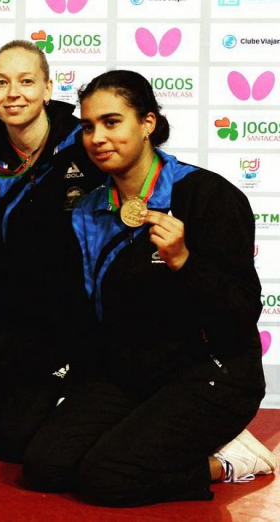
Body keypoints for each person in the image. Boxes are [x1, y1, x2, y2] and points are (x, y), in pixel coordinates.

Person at [22, 70, 277, 506]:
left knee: (107, 478)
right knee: (45, 467)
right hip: (132, 370)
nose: (97, 137)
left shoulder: (208, 196)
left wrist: (184, 261)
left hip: (211, 371)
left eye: (112, 122)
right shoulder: (87, 210)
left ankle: (229, 459)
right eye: (88, 126)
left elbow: (240, 312)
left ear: (148, 123)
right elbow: (91, 312)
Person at [0, 40, 105, 462]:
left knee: (17, 444)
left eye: (26, 81)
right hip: (1, 320)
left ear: (48, 88)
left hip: (67, 324)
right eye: (2, 83)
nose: (14, 93)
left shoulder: (88, 149)